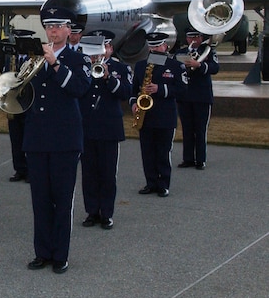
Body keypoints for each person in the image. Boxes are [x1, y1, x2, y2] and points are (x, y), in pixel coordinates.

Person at [23, 7, 91, 274]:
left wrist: (55, 64)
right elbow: (23, 90)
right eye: (49, 26)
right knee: (39, 200)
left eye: (58, 26)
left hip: (64, 139)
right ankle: (42, 252)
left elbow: (79, 89)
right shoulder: (34, 57)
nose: (52, 31)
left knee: (62, 201)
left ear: (68, 30)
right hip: (37, 137)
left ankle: (60, 255)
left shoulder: (77, 59)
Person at [78, 30, 132, 230]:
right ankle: (92, 211)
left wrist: (109, 78)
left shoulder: (121, 68)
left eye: (103, 48)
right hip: (87, 126)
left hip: (109, 127)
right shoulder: (82, 67)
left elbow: (126, 93)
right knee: (89, 173)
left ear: (109, 48)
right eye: (94, 50)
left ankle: (107, 213)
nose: (98, 54)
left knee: (108, 174)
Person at [131, 32, 188, 198]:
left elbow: (183, 90)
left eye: (157, 46)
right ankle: (151, 182)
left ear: (165, 46)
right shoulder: (141, 65)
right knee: (147, 152)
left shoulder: (176, 66)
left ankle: (163, 184)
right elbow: (134, 89)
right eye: (152, 46)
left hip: (165, 116)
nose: (154, 49)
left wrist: (160, 89)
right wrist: (134, 103)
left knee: (163, 152)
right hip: (146, 116)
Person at [175, 28, 219, 170]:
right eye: (190, 37)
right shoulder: (181, 52)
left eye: (196, 37)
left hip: (202, 96)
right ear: (186, 38)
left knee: (200, 129)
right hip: (185, 96)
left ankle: (200, 160)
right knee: (187, 129)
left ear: (201, 37)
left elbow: (215, 67)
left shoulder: (208, 51)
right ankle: (188, 159)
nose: (193, 40)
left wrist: (199, 65)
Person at [3, 29, 35, 182]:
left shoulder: (34, 59)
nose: (19, 45)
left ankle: (31, 170)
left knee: (29, 139)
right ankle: (19, 169)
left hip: (28, 103)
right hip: (13, 103)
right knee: (15, 138)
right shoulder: (11, 59)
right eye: (17, 41)